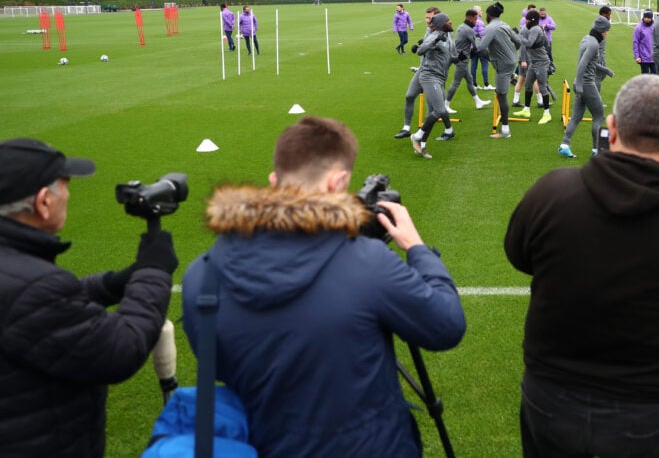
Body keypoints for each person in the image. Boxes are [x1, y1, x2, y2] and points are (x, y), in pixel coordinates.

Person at [182, 116, 466, 458]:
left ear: (274, 181)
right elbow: (446, 325)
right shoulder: (368, 263)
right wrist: (418, 250)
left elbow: (219, 364)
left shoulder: (201, 276)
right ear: (338, 182)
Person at [506, 75, 659, 458]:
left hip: (556, 394)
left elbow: (519, 256)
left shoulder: (552, 193)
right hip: (649, 406)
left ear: (611, 128)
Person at [0, 137, 178, 458]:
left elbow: (36, 311)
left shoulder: (17, 272)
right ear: (43, 202)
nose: (68, 195)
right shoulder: (34, 287)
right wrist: (154, 271)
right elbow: (120, 349)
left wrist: (111, 285)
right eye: (65, 187)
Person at [558, 16, 614, 158]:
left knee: (576, 117)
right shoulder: (594, 44)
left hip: (582, 84)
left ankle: (564, 145)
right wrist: (579, 84)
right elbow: (582, 64)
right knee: (599, 116)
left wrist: (604, 69)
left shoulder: (586, 39)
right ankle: (598, 150)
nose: (607, 33)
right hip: (587, 84)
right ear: (601, 31)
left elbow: (590, 62)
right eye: (606, 31)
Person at [410, 13, 456, 158]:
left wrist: (459, 58)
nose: (451, 22)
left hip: (440, 78)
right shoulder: (434, 36)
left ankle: (422, 145)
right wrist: (435, 40)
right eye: (448, 21)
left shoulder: (447, 37)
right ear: (442, 24)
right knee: (439, 110)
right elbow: (420, 51)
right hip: (430, 77)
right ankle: (417, 136)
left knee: (434, 113)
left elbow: (446, 57)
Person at [394, 6, 440, 140]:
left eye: (430, 17)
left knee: (434, 108)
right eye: (426, 17)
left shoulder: (441, 33)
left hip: (434, 73)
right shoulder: (428, 29)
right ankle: (406, 128)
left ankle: (444, 130)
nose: (427, 20)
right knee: (409, 96)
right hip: (422, 70)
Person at [477, 2, 521, 139]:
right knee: (501, 91)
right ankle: (511, 77)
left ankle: (506, 130)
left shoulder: (491, 28)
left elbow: (482, 47)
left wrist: (476, 40)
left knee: (501, 95)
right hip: (511, 61)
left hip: (503, 65)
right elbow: (518, 41)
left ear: (489, 15)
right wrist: (512, 54)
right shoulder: (504, 25)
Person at [445, 9, 491, 113]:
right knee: (456, 83)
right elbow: (476, 46)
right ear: (469, 18)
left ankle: (478, 101)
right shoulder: (469, 30)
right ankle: (445, 105)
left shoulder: (461, 26)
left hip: (461, 57)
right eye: (475, 19)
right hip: (463, 59)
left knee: (470, 80)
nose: (476, 22)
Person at [512, 9, 554, 125]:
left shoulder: (535, 29)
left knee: (542, 87)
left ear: (532, 20)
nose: (525, 21)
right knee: (528, 84)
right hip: (533, 63)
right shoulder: (532, 28)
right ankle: (526, 109)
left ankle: (547, 114)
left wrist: (517, 36)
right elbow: (547, 43)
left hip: (540, 64)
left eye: (527, 19)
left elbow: (529, 43)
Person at [470, 5, 494, 90]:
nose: (482, 12)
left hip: (472, 47)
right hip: (480, 47)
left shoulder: (470, 21)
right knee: (485, 64)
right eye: (481, 10)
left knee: (473, 65)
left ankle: (474, 84)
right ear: (477, 12)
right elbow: (483, 35)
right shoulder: (480, 22)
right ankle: (486, 84)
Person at [633, 9, 655, 74]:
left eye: (648, 17)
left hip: (654, 57)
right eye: (645, 17)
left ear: (651, 17)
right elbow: (635, 42)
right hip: (644, 58)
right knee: (645, 78)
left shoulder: (655, 26)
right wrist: (637, 56)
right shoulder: (638, 27)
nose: (647, 19)